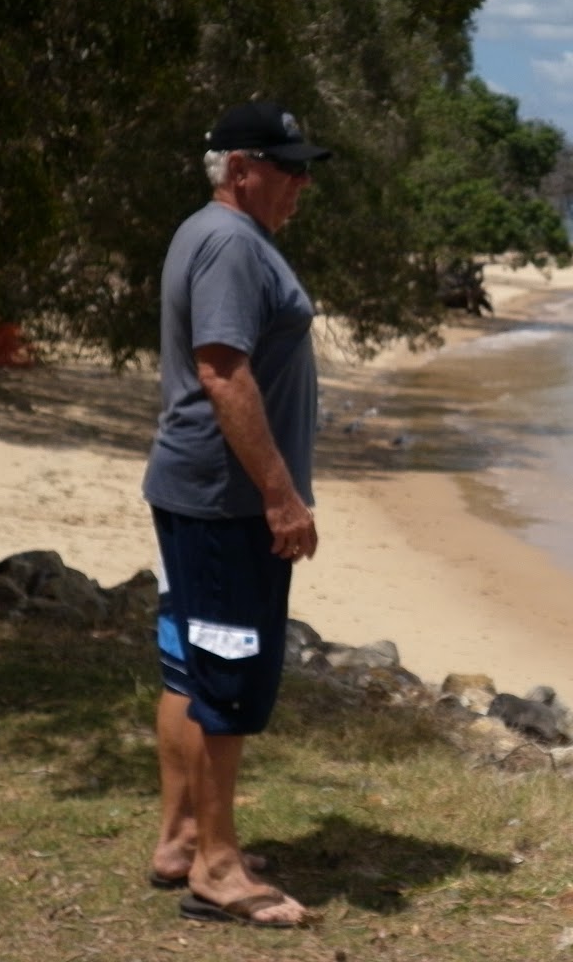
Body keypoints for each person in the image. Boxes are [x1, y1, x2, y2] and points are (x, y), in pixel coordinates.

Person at [141, 99, 330, 928]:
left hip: (202, 491)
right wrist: (279, 496)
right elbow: (224, 373)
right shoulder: (227, 242)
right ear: (241, 168)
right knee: (227, 670)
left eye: (303, 169)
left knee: (190, 664)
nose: (300, 183)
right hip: (226, 501)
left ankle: (183, 838)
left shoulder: (216, 234)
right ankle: (217, 870)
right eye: (288, 168)